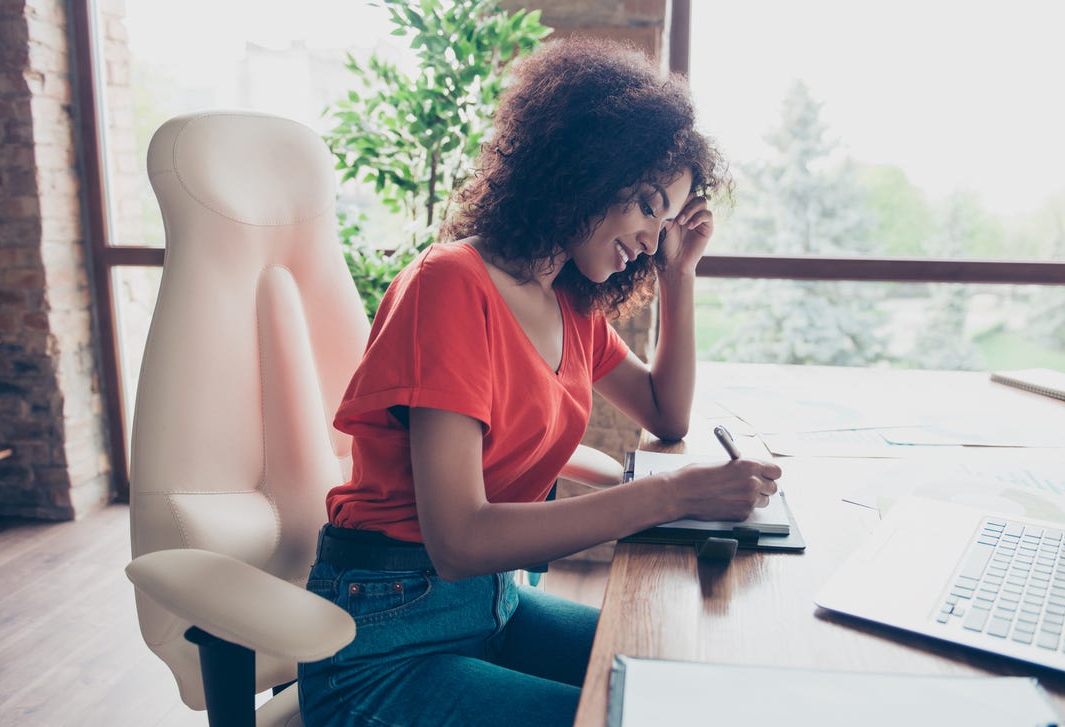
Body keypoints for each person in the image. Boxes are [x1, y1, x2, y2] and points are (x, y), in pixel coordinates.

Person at [298, 37, 783, 726]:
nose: (652, 237)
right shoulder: (450, 286)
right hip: (384, 646)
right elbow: (459, 539)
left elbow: (666, 413)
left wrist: (679, 275)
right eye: (648, 204)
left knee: (686, 676)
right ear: (589, 163)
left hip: (489, 606)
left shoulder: (570, 302)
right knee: (639, 714)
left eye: (666, 220)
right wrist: (669, 494)